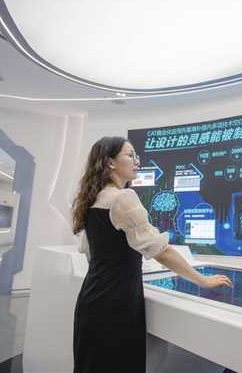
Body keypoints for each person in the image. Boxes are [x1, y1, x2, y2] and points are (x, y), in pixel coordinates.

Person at [72, 136, 232, 373]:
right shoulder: (123, 197)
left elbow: (91, 253)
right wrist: (203, 280)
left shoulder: (92, 200)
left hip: (92, 300)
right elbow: (161, 251)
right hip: (116, 305)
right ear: (110, 162)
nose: (137, 161)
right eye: (130, 155)